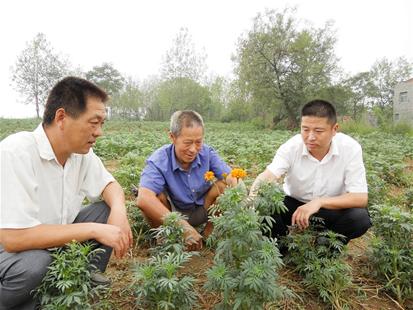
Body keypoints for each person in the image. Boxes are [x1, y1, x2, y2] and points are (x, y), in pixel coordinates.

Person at [0, 76, 133, 310]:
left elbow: (109, 186)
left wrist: (119, 211)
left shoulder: (80, 155)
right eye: (94, 122)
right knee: (35, 264)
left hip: (53, 246)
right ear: (61, 117)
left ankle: (75, 287)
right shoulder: (17, 152)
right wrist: (92, 229)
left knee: (105, 210)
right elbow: (13, 238)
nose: (99, 132)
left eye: (102, 123)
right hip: (11, 251)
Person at [250, 99, 371, 244]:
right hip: (293, 206)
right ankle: (281, 247)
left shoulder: (350, 148)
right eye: (305, 129)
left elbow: (360, 198)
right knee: (264, 205)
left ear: (334, 129)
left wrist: (319, 202)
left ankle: (325, 248)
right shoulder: (292, 147)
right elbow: (269, 175)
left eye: (318, 131)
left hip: (331, 209)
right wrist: (252, 198)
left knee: (360, 218)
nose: (310, 137)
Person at [136, 110, 237, 250]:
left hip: (204, 208)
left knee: (224, 185)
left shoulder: (207, 153)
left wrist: (238, 188)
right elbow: (143, 199)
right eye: (188, 143)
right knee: (155, 196)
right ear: (172, 137)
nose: (193, 150)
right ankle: (167, 240)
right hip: (173, 214)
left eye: (198, 142)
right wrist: (182, 226)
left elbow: (230, 176)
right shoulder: (159, 160)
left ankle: (209, 236)